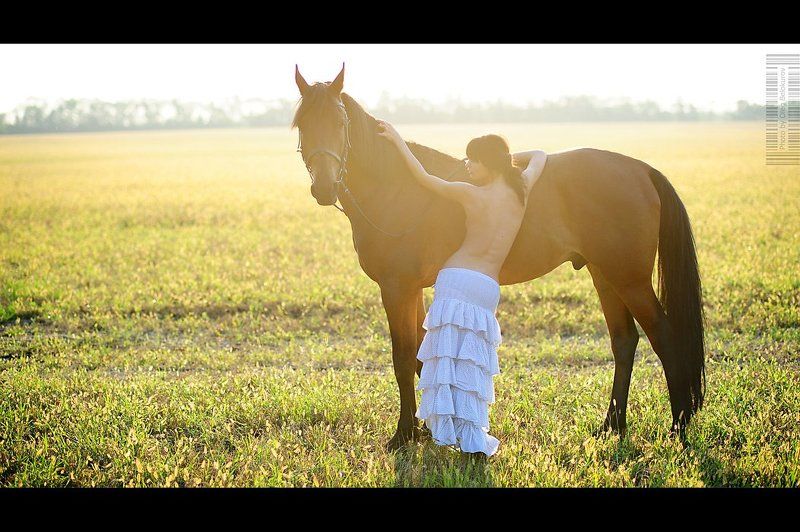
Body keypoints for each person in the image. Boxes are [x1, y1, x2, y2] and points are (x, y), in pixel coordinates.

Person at [376, 119, 548, 457]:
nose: (467, 165)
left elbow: (423, 178)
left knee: (445, 363)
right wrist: (505, 158)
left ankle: (444, 431)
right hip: (486, 287)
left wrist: (397, 140)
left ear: (490, 164)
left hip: (455, 280)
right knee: (471, 367)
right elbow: (540, 155)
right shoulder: (521, 190)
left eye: (474, 160)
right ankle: (470, 436)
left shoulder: (471, 195)